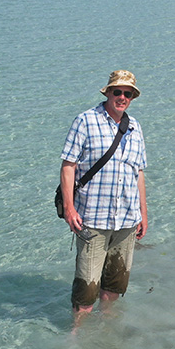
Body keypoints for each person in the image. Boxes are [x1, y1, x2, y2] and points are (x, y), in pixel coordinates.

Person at [59, 70, 148, 328]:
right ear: (108, 92)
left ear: (132, 97)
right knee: (86, 291)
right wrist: (69, 208)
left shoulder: (135, 127)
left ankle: (106, 331)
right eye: (117, 91)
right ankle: (77, 335)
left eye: (128, 93)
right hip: (92, 219)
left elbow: (139, 173)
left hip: (127, 220)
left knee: (114, 286)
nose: (122, 97)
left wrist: (143, 214)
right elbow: (68, 166)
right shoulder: (85, 121)